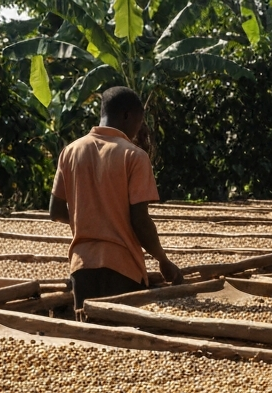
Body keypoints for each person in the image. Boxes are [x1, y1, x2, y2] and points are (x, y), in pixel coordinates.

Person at [49, 86, 181, 317]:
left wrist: (89, 220)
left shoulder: (70, 151)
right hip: (122, 267)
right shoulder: (134, 156)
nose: (138, 129)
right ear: (127, 116)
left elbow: (56, 211)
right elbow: (140, 220)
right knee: (126, 340)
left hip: (82, 268)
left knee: (90, 343)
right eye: (139, 122)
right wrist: (163, 260)